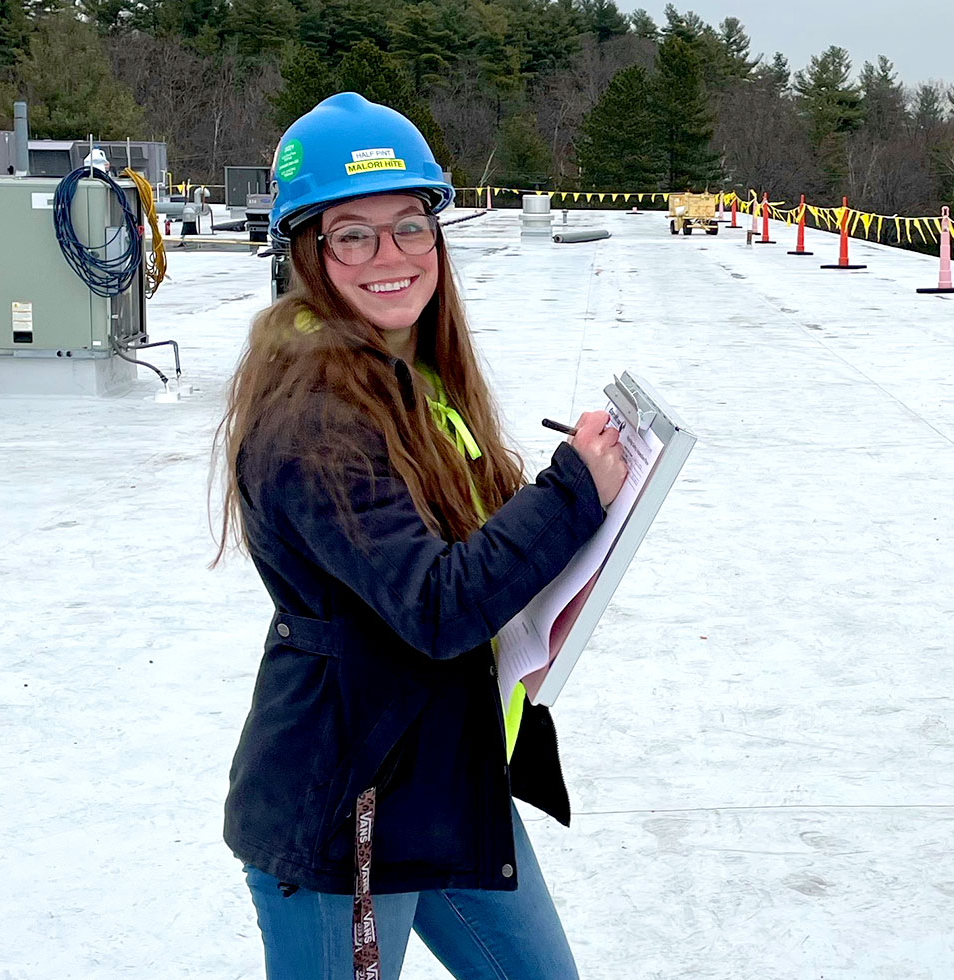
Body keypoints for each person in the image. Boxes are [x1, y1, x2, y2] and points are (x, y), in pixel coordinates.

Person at [213, 91, 626, 980]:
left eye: (409, 225)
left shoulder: (412, 377)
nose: (390, 255)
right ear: (304, 251)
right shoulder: (314, 414)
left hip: (439, 773)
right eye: (351, 234)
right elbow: (434, 607)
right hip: (345, 801)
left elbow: (473, 551)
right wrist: (569, 495)